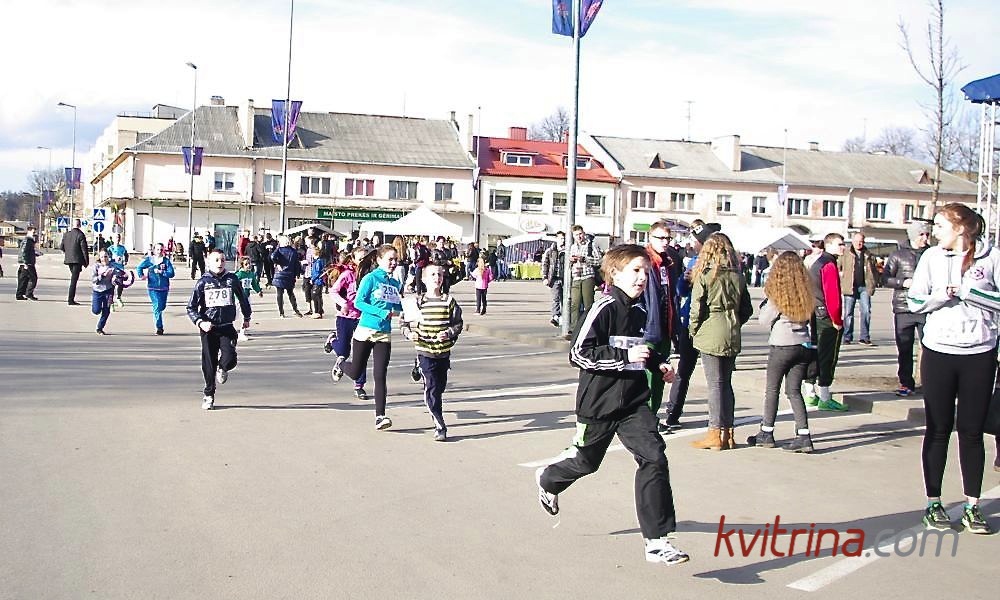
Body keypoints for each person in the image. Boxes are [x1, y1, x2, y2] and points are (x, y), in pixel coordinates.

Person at [535, 244, 687, 566]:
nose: (642, 278)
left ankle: (657, 541)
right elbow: (578, 354)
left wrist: (658, 364)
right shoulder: (602, 307)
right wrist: (624, 357)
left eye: (646, 272)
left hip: (633, 404)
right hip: (599, 404)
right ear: (615, 274)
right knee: (586, 462)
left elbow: (640, 350)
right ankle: (548, 480)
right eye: (636, 271)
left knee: (654, 457)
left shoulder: (641, 311)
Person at [907, 203, 999, 535]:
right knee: (938, 428)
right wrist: (941, 296)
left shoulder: (992, 257)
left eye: (940, 226)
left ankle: (973, 506)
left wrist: (970, 293)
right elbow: (914, 301)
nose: (934, 232)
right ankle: (934, 503)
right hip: (939, 352)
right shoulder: (931, 258)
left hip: (979, 353)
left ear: (960, 228)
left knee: (972, 432)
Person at [688, 233, 752, 451]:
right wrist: (735, 322)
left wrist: (693, 330)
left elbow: (696, 308)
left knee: (715, 384)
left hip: (711, 328)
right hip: (731, 329)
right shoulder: (738, 275)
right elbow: (747, 309)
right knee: (726, 383)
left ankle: (714, 432)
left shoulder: (706, 275)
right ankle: (728, 432)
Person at [747, 252, 816, 453]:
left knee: (772, 390)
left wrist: (766, 304)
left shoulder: (779, 295)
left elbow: (764, 320)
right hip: (803, 344)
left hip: (782, 344)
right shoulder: (806, 292)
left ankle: (766, 432)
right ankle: (804, 435)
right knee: (794, 391)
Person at [331, 244, 403, 430]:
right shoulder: (370, 278)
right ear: (379, 260)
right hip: (365, 331)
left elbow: (398, 307)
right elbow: (359, 302)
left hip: (383, 335)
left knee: (380, 375)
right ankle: (341, 364)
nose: (393, 263)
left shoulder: (395, 283)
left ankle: (380, 416)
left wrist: (408, 311)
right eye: (390, 259)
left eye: (396, 259)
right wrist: (381, 312)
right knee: (356, 372)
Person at [661, 220, 716, 432]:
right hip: (690, 323)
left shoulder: (719, 265)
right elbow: (681, 291)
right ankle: (673, 414)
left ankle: (719, 422)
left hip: (706, 325)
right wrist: (684, 280)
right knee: (685, 371)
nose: (691, 243)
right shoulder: (694, 261)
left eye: (694, 240)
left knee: (714, 378)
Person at [400, 264, 465, 441]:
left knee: (440, 386)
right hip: (424, 351)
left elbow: (458, 324)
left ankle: (418, 368)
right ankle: (440, 425)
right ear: (424, 279)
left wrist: (449, 333)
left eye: (439, 275)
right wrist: (410, 334)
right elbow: (403, 323)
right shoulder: (418, 301)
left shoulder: (448, 301)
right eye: (433, 275)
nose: (437, 278)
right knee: (432, 389)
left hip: (443, 353)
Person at [186, 249, 252, 410]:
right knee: (209, 363)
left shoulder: (232, 279)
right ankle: (209, 395)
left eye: (222, 260)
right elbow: (191, 307)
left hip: (227, 326)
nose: (220, 263)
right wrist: (200, 322)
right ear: (209, 262)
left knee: (230, 358)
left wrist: (247, 317)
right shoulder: (203, 282)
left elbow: (243, 298)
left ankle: (223, 368)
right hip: (209, 328)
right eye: (216, 260)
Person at [882, 219, 933, 396]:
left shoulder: (932, 254)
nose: (925, 238)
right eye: (921, 234)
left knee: (931, 347)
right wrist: (902, 283)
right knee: (904, 348)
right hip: (903, 308)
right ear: (912, 235)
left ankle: (931, 383)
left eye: (927, 234)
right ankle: (905, 383)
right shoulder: (898, 255)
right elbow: (885, 278)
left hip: (926, 307)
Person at [641, 220, 682, 421]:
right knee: (649, 377)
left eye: (668, 238)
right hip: (649, 328)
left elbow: (672, 295)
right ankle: (646, 419)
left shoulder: (668, 262)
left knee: (660, 376)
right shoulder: (644, 261)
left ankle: (652, 416)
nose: (665, 242)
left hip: (666, 327)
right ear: (651, 238)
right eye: (661, 238)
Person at [805, 233, 848, 411]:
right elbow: (832, 296)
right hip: (826, 316)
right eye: (840, 244)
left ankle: (810, 393)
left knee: (814, 353)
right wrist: (837, 319)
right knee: (827, 356)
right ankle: (825, 396)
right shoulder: (828, 265)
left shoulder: (817, 263)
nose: (843, 247)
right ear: (828, 245)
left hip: (814, 313)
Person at [329, 248, 374, 401]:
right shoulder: (348, 274)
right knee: (343, 351)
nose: (363, 262)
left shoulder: (370, 276)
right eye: (360, 259)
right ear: (353, 259)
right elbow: (334, 291)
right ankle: (332, 340)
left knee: (361, 353)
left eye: (365, 258)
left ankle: (359, 386)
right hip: (346, 316)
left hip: (363, 318)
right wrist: (343, 303)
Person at [839, 232, 878, 345]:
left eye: (861, 241)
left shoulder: (869, 255)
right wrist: (842, 277)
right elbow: (838, 266)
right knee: (848, 313)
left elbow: (874, 270)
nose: (858, 243)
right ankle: (847, 336)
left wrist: (874, 282)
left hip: (864, 287)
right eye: (856, 241)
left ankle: (864, 337)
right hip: (850, 287)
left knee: (866, 311)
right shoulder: (845, 253)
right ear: (852, 241)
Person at [567, 225, 603, 333]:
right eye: (576, 235)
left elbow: (599, 261)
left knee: (588, 303)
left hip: (588, 276)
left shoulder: (591, 245)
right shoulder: (573, 247)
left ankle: (590, 328)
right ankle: (574, 329)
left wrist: (584, 259)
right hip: (576, 276)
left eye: (580, 234)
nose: (579, 237)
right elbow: (569, 264)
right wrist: (571, 261)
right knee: (575, 303)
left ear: (583, 233)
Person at [135, 243, 176, 335]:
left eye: (161, 249)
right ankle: (159, 327)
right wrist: (141, 276)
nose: (159, 251)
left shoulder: (166, 261)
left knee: (162, 306)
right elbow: (139, 267)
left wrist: (162, 272)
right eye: (157, 249)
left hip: (164, 287)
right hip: (152, 287)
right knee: (157, 306)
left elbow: (171, 273)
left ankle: (159, 314)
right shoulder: (150, 260)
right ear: (154, 250)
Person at [270, 235, 304, 318]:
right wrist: (298, 273)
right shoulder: (293, 251)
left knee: (279, 294)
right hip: (290, 273)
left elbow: (272, 257)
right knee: (290, 293)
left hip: (280, 273)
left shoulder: (279, 250)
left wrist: (277, 263)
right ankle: (295, 310)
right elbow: (296, 264)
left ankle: (281, 312)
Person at [60, 218, 90, 305]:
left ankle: (71, 299)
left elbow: (61, 247)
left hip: (69, 260)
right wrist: (86, 261)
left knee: (73, 278)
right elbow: (84, 249)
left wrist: (68, 253)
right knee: (73, 280)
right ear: (79, 225)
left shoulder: (66, 234)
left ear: (72, 225)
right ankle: (70, 299)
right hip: (77, 260)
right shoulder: (80, 235)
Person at [234, 256, 264, 339]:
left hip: (246, 297)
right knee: (234, 315)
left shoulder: (251, 274)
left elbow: (254, 284)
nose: (248, 265)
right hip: (238, 298)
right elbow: (233, 285)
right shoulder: (239, 274)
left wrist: (258, 291)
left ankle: (242, 332)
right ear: (242, 265)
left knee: (246, 314)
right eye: (246, 264)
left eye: (249, 263)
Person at [90, 250, 119, 335]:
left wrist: (116, 279)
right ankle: (98, 307)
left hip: (109, 290)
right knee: (96, 310)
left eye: (106, 256)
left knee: (107, 310)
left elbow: (118, 274)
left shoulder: (112, 266)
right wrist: (102, 276)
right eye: (102, 257)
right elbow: (93, 280)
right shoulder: (96, 266)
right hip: (98, 290)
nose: (104, 258)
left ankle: (100, 328)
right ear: (99, 258)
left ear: (108, 257)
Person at [541, 231, 566, 327]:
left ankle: (564, 316)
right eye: (561, 238)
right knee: (556, 297)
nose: (563, 240)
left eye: (564, 238)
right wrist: (544, 277)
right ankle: (556, 316)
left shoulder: (567, 250)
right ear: (556, 239)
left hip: (565, 278)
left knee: (565, 298)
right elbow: (545, 264)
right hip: (554, 278)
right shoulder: (550, 250)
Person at [16, 226, 40, 301]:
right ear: (29, 231)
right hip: (27, 263)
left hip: (26, 262)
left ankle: (20, 294)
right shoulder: (28, 240)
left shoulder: (29, 240)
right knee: (33, 278)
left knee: (23, 279)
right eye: (33, 232)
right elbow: (24, 251)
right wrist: (25, 262)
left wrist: (35, 254)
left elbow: (27, 251)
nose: (34, 233)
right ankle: (28, 293)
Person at [107, 234, 129, 307]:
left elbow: (126, 255)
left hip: (120, 268)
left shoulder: (122, 248)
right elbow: (108, 259)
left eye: (119, 237)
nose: (118, 239)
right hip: (112, 268)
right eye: (116, 237)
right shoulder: (110, 248)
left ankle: (118, 297)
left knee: (120, 283)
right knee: (112, 285)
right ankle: (111, 302)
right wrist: (114, 259)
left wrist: (125, 261)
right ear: (113, 239)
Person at [308, 242, 328, 319]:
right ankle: (318, 311)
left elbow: (317, 272)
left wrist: (312, 279)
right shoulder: (318, 261)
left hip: (317, 281)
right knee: (318, 296)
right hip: (318, 281)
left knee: (316, 296)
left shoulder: (317, 262)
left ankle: (318, 311)